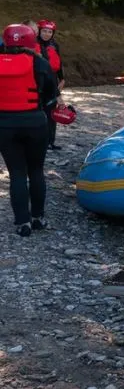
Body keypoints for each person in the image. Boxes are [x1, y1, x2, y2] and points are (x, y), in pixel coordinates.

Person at [0, 24, 60, 237]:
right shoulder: (40, 63)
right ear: (30, 41)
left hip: (4, 125)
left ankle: (22, 223)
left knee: (16, 173)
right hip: (35, 123)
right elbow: (52, 97)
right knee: (35, 170)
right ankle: (37, 218)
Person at [36, 20, 64, 150]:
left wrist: (62, 78)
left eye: (50, 32)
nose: (47, 34)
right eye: (44, 31)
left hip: (53, 78)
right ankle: (39, 141)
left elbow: (59, 62)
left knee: (52, 112)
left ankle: (50, 141)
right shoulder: (34, 44)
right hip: (40, 80)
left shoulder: (54, 45)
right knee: (40, 111)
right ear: (39, 31)